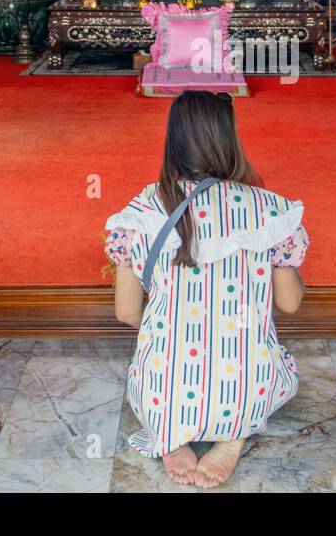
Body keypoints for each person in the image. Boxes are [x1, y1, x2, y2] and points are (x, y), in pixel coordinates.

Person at [106, 91, 307, 488]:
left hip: (161, 393)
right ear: (230, 139)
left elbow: (127, 314)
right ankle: (232, 436)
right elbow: (289, 302)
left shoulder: (142, 210)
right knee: (272, 365)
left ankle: (169, 432)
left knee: (152, 368)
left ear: (172, 142)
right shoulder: (270, 211)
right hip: (247, 387)